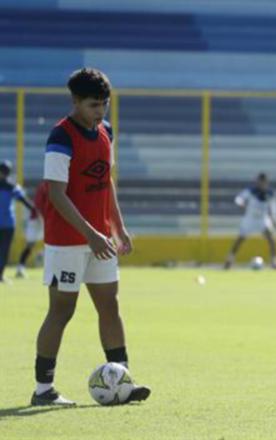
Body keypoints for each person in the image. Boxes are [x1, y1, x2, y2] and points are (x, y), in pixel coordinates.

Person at [31, 67, 150, 406]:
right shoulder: (60, 137)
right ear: (75, 102)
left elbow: (105, 181)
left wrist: (117, 226)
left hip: (100, 237)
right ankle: (43, 390)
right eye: (93, 105)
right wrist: (92, 233)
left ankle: (123, 381)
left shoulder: (105, 131)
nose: (100, 112)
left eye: (104, 104)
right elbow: (56, 193)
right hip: (67, 240)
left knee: (109, 305)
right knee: (62, 310)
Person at [224, 173, 276, 270]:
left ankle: (274, 262)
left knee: (271, 238)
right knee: (240, 239)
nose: (262, 184)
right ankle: (229, 260)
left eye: (263, 182)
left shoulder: (270, 194)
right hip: (250, 219)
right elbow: (239, 199)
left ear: (266, 183)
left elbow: (274, 207)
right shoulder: (250, 191)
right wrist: (241, 204)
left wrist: (274, 219)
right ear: (257, 182)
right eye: (260, 181)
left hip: (263, 219)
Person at [0, 160, 36, 282]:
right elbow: (23, 200)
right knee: (4, 250)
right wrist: (34, 210)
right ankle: (0, 276)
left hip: (6, 224)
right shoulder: (12, 187)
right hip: (8, 224)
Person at [16, 181, 48, 278]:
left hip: (47, 218)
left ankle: (42, 256)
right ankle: (20, 267)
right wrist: (43, 220)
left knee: (52, 242)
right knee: (30, 244)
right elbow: (38, 206)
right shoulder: (44, 186)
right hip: (36, 219)